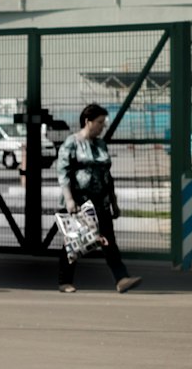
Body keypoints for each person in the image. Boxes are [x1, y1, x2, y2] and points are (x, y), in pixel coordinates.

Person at [56, 102, 141, 295]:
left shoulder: (101, 144)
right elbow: (63, 173)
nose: (103, 126)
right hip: (79, 201)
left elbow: (107, 176)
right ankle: (64, 281)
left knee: (109, 240)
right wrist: (69, 200)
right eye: (100, 122)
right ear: (88, 121)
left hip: (101, 201)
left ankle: (121, 279)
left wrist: (114, 202)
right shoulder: (72, 142)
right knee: (73, 242)